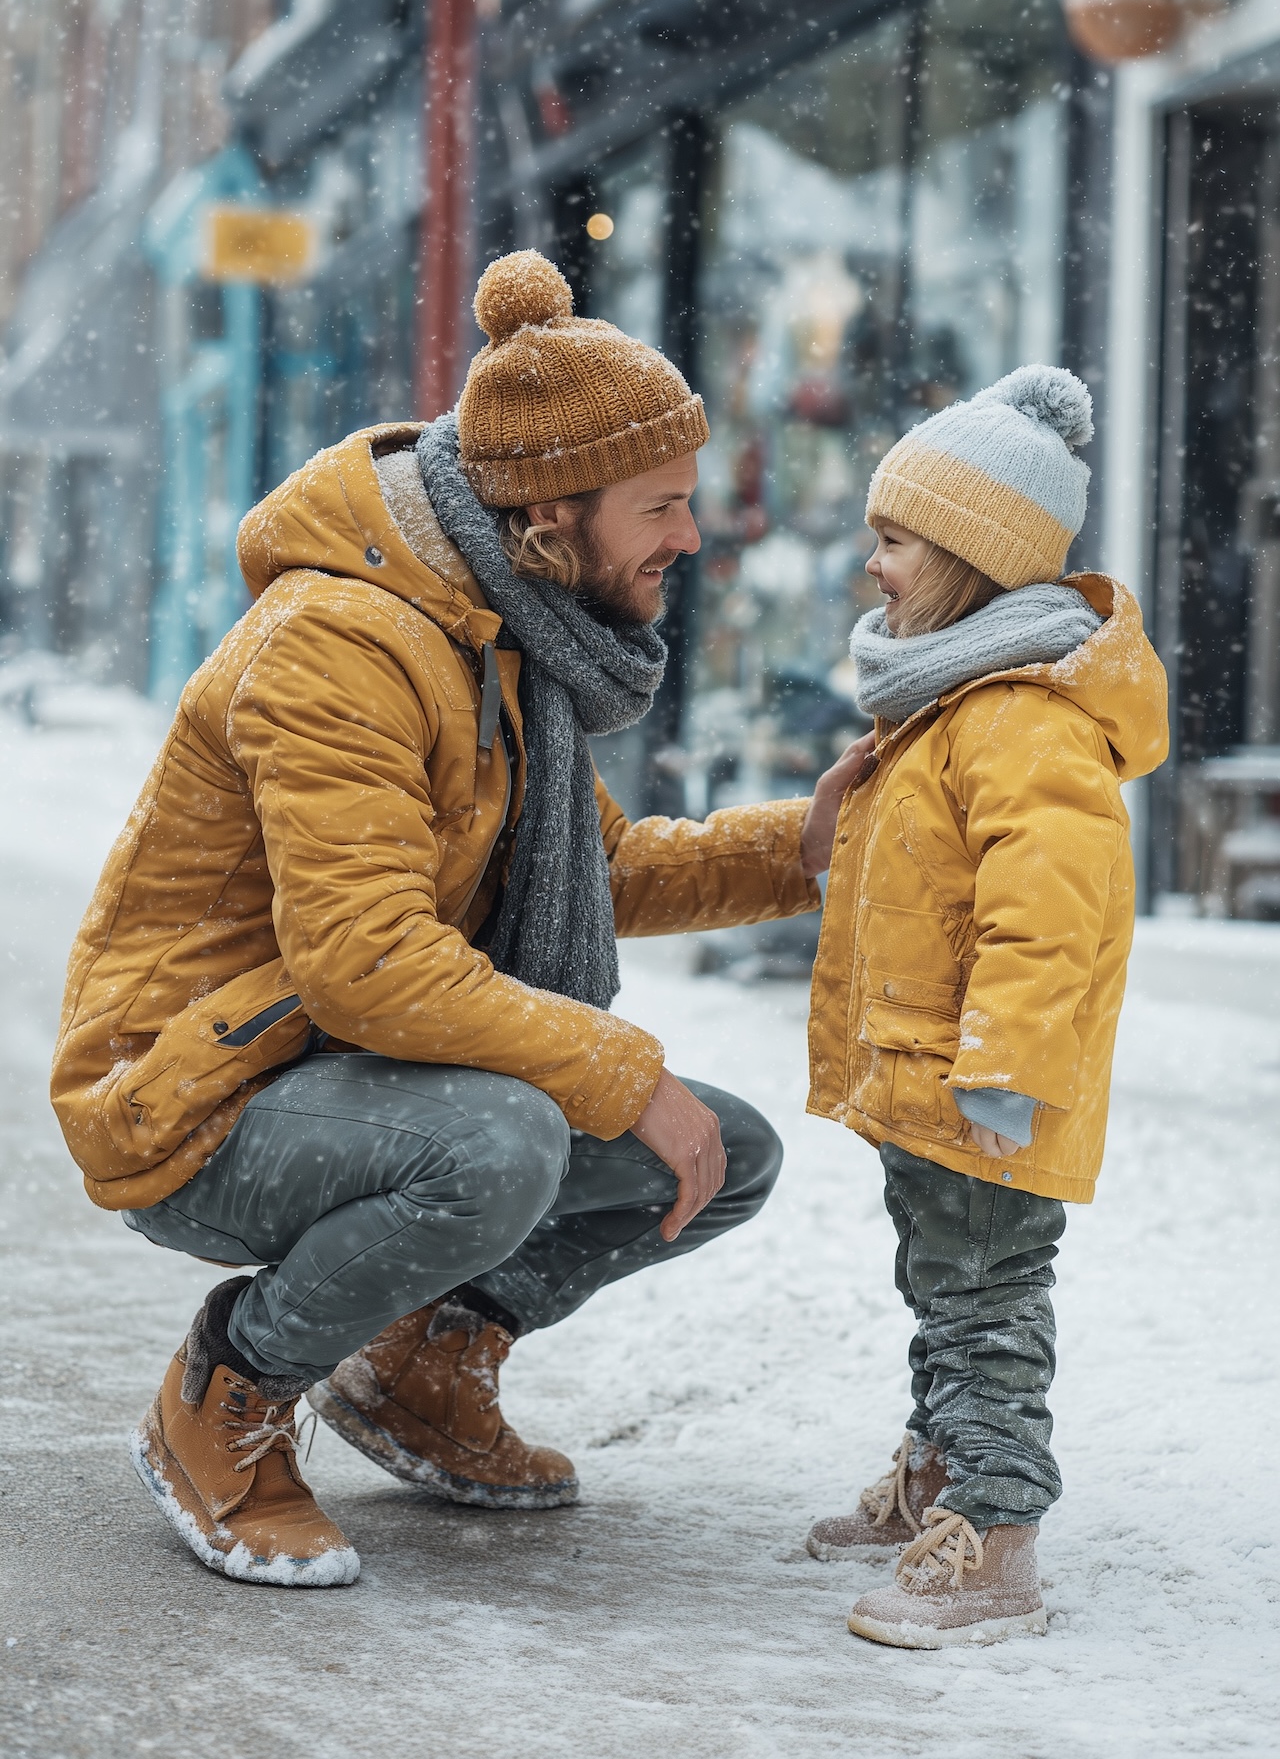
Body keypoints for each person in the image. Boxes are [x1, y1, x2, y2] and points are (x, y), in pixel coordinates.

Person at [51, 250, 867, 1588]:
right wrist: (623, 1069)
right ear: (552, 513)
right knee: (505, 1140)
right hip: (196, 1089)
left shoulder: (502, 639)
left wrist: (806, 848)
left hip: (337, 1071)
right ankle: (226, 1394)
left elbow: (601, 874)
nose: (691, 538)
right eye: (661, 505)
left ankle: (421, 1368)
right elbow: (364, 961)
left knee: (721, 1151)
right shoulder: (343, 642)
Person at [800, 366, 1168, 1648]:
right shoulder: (952, 702)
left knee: (984, 1299)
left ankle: (997, 1537)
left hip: (981, 1087)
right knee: (941, 1282)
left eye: (891, 541)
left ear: (967, 558)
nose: (871, 567)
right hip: (929, 1075)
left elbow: (1048, 905)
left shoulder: (1020, 717)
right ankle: (938, 1481)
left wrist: (1002, 1063)